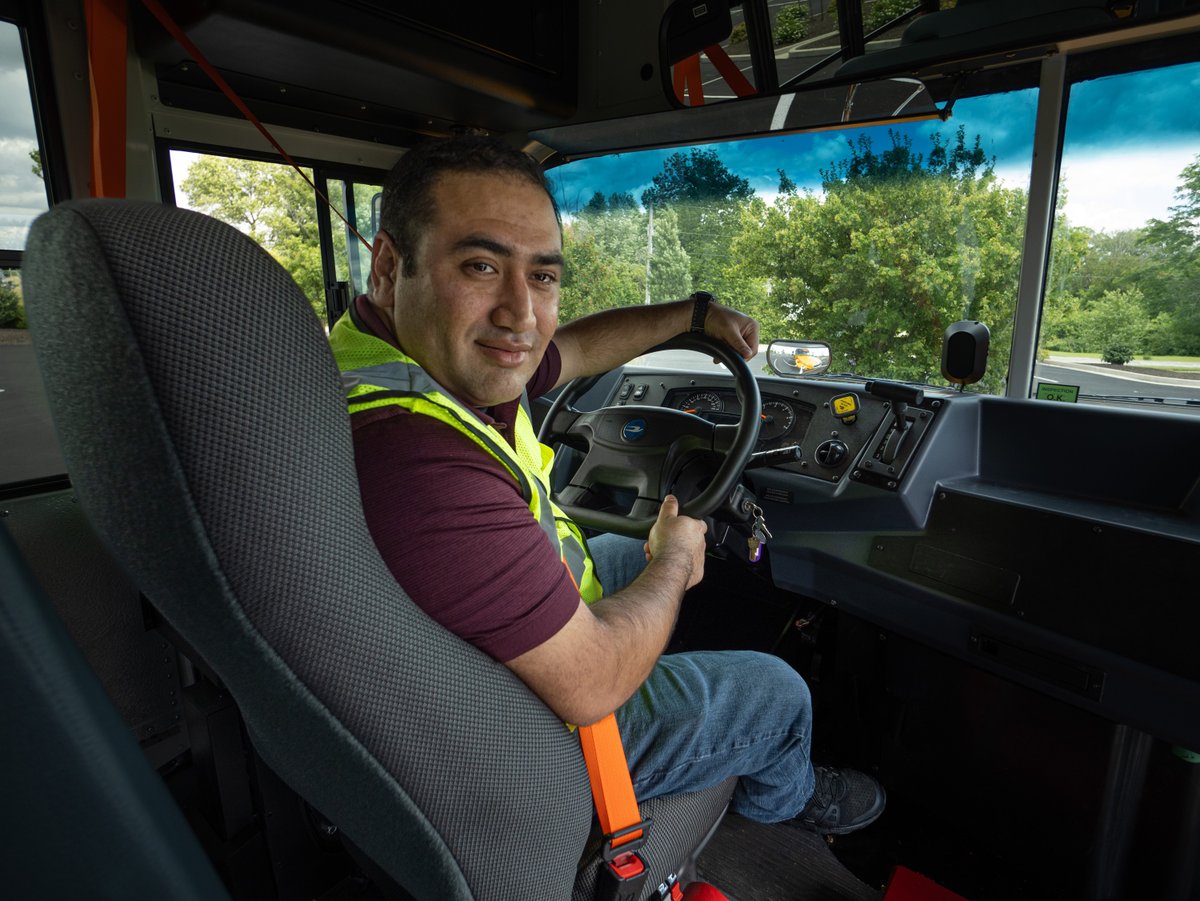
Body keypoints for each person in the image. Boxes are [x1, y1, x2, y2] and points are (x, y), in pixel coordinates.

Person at [328, 135, 884, 834]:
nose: (520, 316)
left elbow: (581, 348)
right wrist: (675, 560)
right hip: (538, 739)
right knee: (779, 693)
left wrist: (692, 317)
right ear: (388, 266)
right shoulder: (418, 457)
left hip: (477, 673)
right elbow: (592, 684)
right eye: (480, 266)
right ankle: (784, 799)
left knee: (624, 554)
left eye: (542, 276)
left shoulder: (412, 364)